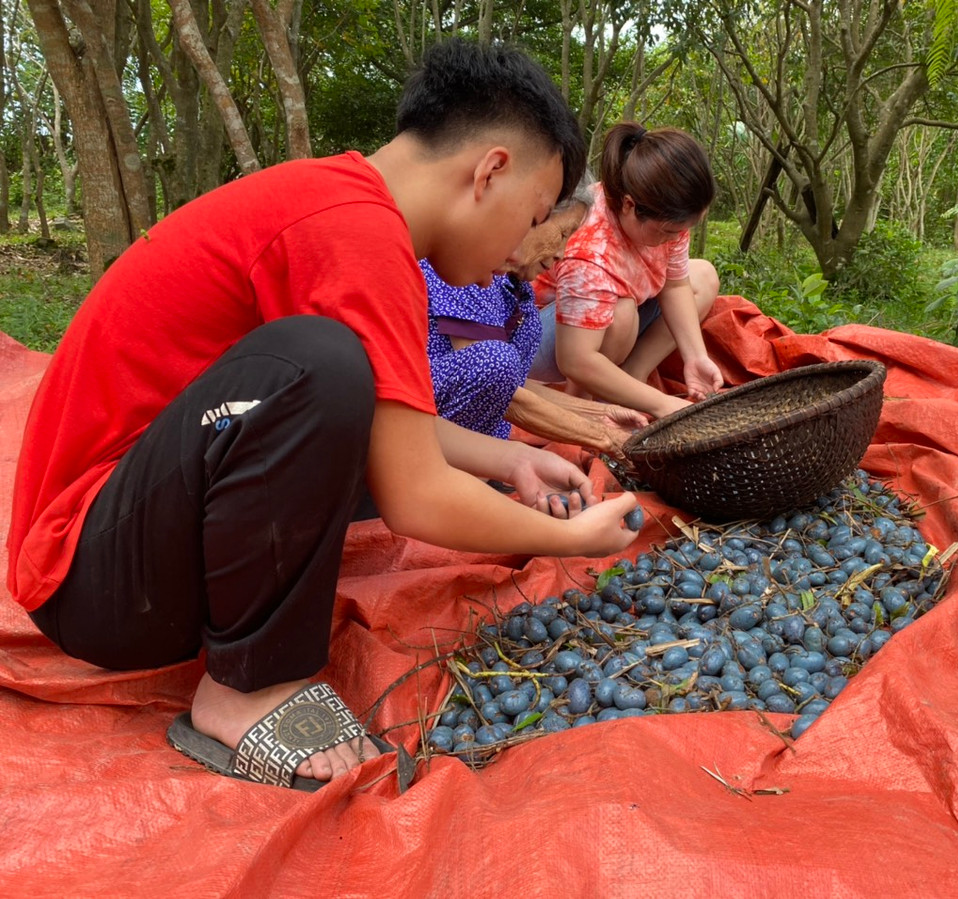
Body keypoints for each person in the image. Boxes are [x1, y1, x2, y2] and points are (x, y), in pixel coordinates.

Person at [5, 39, 640, 792]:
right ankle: (246, 688)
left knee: (340, 379)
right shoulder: (354, 231)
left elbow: (383, 418)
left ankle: (245, 652)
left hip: (140, 543)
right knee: (325, 358)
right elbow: (413, 492)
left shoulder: (348, 211)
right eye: (534, 216)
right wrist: (567, 539)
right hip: (92, 576)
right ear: (490, 170)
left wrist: (509, 458)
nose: (526, 249)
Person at [423, 174, 648, 479]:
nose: (562, 253)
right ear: (531, 217)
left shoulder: (516, 285)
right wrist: (602, 437)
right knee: (496, 362)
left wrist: (602, 414)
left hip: (475, 445)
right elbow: (496, 381)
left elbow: (511, 386)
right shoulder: (465, 265)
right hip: (422, 428)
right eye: (563, 233)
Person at [529, 122, 724, 421]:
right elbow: (575, 360)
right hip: (547, 338)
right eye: (669, 232)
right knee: (621, 312)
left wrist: (695, 357)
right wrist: (661, 404)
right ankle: (584, 400)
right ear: (630, 206)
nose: (676, 239)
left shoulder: (665, 214)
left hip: (611, 309)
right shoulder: (590, 252)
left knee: (703, 276)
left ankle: (633, 374)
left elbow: (675, 286)